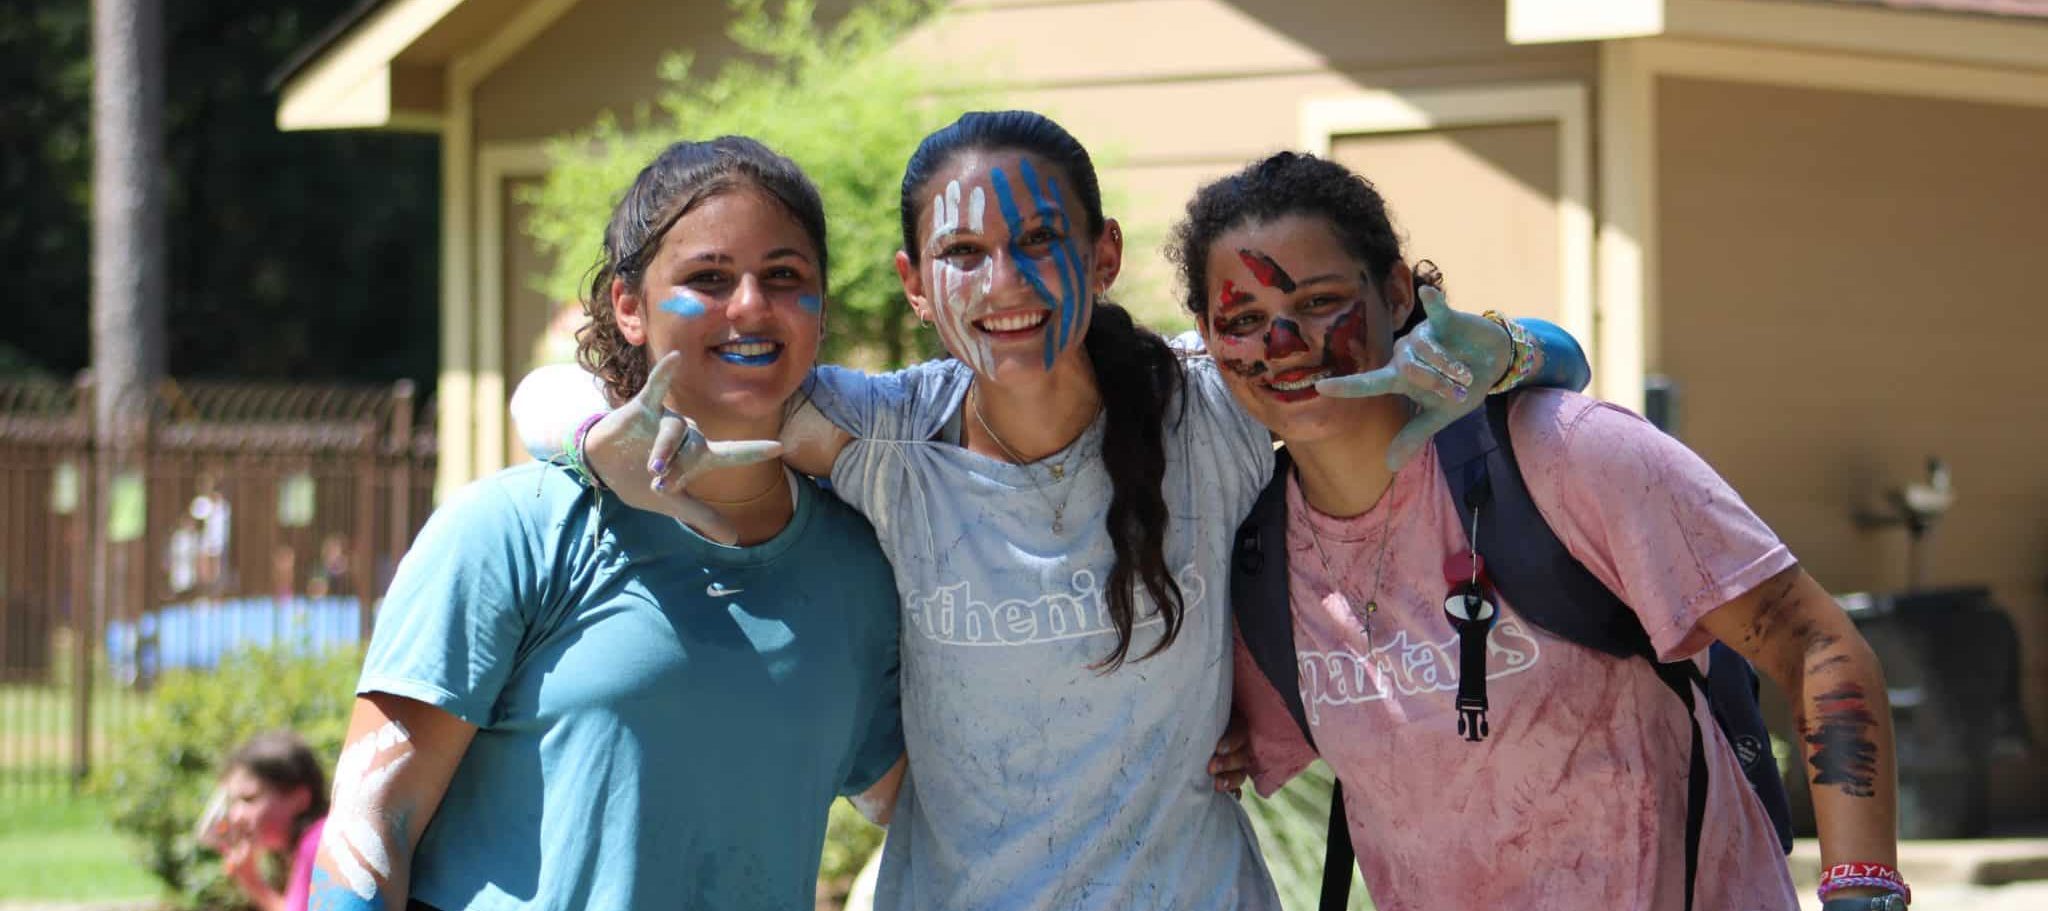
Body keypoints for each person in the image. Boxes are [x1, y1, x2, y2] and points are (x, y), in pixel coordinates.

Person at [517, 110, 1592, 910]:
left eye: (1038, 243)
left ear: (1102, 254)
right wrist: (581, 432)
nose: (1004, 282)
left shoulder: (1214, 397)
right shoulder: (882, 431)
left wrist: (1500, 347)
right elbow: (563, 396)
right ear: (913, 282)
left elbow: (1559, 357)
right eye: (963, 254)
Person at [1173, 151, 1902, 910]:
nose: (1284, 343)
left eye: (1322, 301)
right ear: (1206, 335)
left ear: (1396, 292)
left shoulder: (1563, 452)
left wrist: (1865, 892)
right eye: (1247, 320)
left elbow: (1817, 644)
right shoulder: (1254, 555)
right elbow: (1205, 730)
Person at [308, 136, 906, 911]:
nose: (752, 306)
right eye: (709, 278)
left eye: (785, 277)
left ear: (821, 310)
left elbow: (916, 803)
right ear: (629, 306)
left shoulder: (856, 569)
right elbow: (370, 826)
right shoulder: (514, 530)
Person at [204, 732, 329, 911]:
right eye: (234, 802)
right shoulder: (308, 846)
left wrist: (254, 884)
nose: (236, 816)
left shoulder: (318, 844)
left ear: (300, 797)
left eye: (249, 799)